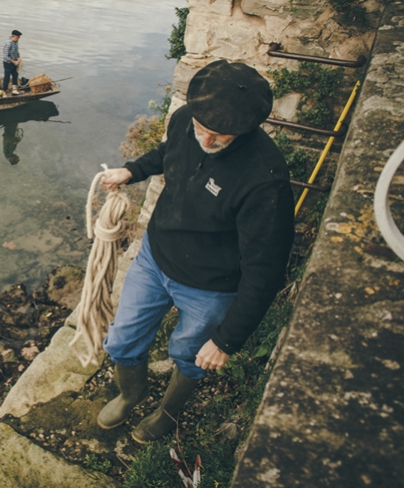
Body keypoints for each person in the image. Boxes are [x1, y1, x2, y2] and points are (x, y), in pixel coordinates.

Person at [95, 60, 295, 444]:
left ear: (246, 128)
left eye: (220, 135)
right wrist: (131, 171)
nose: (206, 139)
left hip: (210, 286)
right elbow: (168, 152)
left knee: (189, 353)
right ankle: (130, 394)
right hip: (156, 258)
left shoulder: (264, 181)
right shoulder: (187, 118)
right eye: (202, 129)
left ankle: (167, 412)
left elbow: (265, 270)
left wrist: (226, 340)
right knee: (121, 340)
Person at [2, 30, 22, 95]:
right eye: (18, 37)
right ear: (14, 36)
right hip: (8, 63)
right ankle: (4, 91)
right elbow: (5, 56)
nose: (19, 38)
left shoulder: (16, 42)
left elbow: (16, 51)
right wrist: (13, 62)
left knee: (15, 75)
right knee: (7, 77)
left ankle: (14, 89)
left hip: (15, 62)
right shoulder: (8, 43)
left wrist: (19, 57)